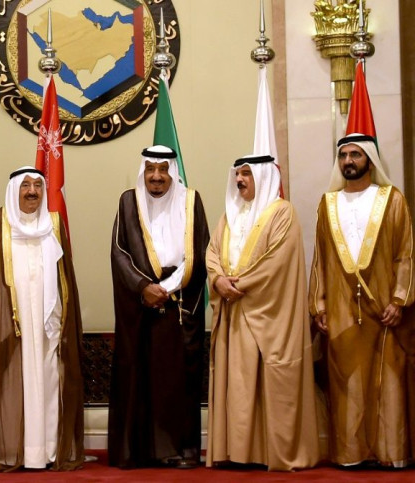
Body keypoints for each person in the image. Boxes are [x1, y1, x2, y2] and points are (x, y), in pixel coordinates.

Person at [206, 155, 319, 471]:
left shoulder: (282, 213)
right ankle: (238, 452)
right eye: (238, 174)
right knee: (238, 386)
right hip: (233, 312)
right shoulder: (230, 215)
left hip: (268, 313)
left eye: (247, 174)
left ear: (264, 178)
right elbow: (212, 252)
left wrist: (236, 284)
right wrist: (217, 280)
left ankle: (268, 452)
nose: (240, 180)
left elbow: (277, 262)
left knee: (267, 382)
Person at [309, 133, 415, 468]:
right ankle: (351, 454)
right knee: (348, 385)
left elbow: (405, 255)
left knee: (390, 383)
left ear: (370, 159)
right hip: (341, 311)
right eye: (343, 156)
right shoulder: (328, 204)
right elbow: (321, 260)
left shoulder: (392, 199)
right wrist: (319, 304)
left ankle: (392, 452)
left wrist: (399, 300)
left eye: (356, 155)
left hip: (385, 309)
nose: (348, 162)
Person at [0, 167, 84, 471]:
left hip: (48, 324)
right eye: (25, 186)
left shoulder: (53, 225)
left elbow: (66, 277)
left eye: (37, 186)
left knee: (48, 382)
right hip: (11, 323)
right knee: (11, 384)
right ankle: (11, 451)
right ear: (14, 190)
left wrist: (64, 320)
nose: (32, 191)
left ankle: (45, 451)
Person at [108, 145, 209, 469]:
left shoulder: (191, 201)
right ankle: (138, 450)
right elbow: (119, 252)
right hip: (140, 304)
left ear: (172, 172)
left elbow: (199, 250)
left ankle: (182, 450)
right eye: (150, 169)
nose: (155, 177)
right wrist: (143, 288)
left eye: (162, 170)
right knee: (140, 377)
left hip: (178, 302)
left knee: (179, 381)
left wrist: (166, 287)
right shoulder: (129, 201)